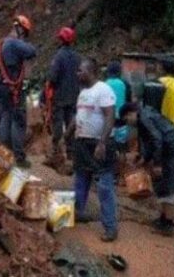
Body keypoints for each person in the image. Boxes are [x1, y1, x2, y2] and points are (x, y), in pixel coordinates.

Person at [118, 102, 174, 236]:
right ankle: (164, 218)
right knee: (164, 186)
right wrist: (143, 160)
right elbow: (152, 143)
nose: (129, 124)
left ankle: (168, 224)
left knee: (167, 186)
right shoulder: (147, 114)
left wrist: (157, 164)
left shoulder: (144, 118)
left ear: (131, 113)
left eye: (127, 120)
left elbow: (157, 139)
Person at [65, 58, 118, 241]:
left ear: (91, 71)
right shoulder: (83, 92)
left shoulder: (103, 90)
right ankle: (78, 211)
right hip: (82, 144)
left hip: (98, 144)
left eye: (80, 70)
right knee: (81, 180)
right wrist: (67, 134)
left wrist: (102, 143)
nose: (77, 73)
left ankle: (110, 227)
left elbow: (110, 116)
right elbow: (78, 115)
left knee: (104, 186)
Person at [0, 15, 37, 168]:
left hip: (3, 87)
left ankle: (4, 153)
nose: (24, 36)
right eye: (24, 33)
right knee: (18, 121)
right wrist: (23, 42)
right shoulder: (14, 43)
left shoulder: (3, 43)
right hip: (13, 90)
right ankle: (18, 157)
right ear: (19, 29)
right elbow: (32, 51)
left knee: (5, 118)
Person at [45, 26, 81, 162]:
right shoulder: (78, 57)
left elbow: (52, 77)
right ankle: (71, 152)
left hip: (59, 96)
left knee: (57, 123)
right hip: (74, 96)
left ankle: (56, 151)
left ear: (61, 40)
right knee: (71, 123)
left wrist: (50, 87)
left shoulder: (59, 56)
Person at [105, 60, 133, 151]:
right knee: (122, 147)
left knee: (109, 145)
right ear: (119, 71)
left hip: (108, 119)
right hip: (122, 118)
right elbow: (129, 101)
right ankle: (122, 163)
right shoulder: (125, 84)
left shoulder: (104, 84)